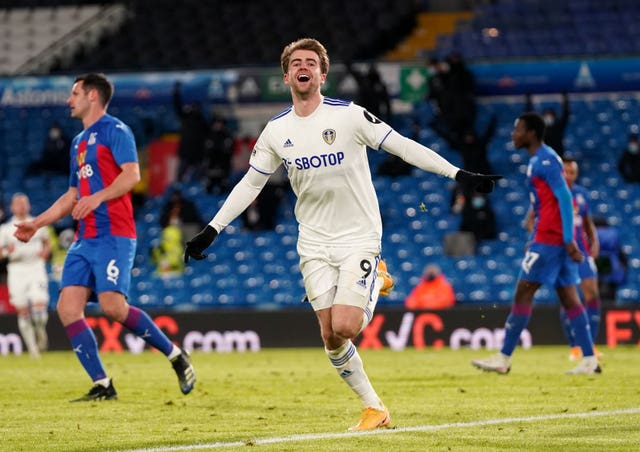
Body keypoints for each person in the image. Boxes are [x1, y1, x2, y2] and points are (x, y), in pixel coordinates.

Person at [183, 38, 500, 430]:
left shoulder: (349, 116)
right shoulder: (276, 131)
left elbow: (401, 146)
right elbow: (251, 184)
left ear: (322, 73)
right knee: (331, 336)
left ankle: (376, 276)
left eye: (311, 62)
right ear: (286, 76)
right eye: (296, 62)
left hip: (358, 236)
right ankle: (374, 408)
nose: (304, 67)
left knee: (347, 325)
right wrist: (213, 229)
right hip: (313, 242)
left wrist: (458, 174)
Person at [14, 73, 196, 401]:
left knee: (113, 308)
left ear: (93, 96)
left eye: (74, 93)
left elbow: (132, 175)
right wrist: (36, 223)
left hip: (115, 234)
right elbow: (72, 194)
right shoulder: (78, 142)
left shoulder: (116, 130)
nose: (69, 100)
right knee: (68, 308)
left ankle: (176, 355)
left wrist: (98, 197)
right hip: (86, 239)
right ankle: (103, 384)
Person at [472, 112, 600, 375]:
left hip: (551, 240)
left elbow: (565, 198)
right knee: (570, 298)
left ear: (531, 133)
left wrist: (567, 240)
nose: (513, 133)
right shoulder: (542, 160)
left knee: (523, 292)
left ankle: (504, 357)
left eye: (518, 129)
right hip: (550, 238)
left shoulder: (545, 161)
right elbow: (549, 203)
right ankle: (589, 359)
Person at [525, 157, 601, 360]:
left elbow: (587, 223)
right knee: (569, 298)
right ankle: (574, 346)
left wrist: (594, 242)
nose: (569, 175)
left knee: (592, 294)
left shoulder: (582, 195)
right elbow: (530, 221)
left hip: (581, 252)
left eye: (573, 172)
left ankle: (590, 346)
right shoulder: (550, 194)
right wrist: (538, 239)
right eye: (566, 172)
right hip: (559, 251)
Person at [0, 193, 51, 358]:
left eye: (24, 203)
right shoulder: (5, 229)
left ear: (28, 205)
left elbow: (47, 241)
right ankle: (33, 349)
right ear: (12, 207)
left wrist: (45, 252)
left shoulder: (38, 223)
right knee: (22, 310)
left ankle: (40, 330)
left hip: (36, 267)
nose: (21, 206)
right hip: (16, 270)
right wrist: (8, 251)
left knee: (39, 308)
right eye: (18, 203)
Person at [173, 81, 209, 183]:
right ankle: (178, 191)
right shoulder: (186, 117)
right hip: (186, 152)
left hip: (197, 154)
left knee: (199, 177)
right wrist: (176, 93)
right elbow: (177, 106)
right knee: (180, 177)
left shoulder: (202, 121)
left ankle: (196, 190)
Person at [525, 92, 570, 157]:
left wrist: (565, 98)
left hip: (558, 156)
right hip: (543, 157)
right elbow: (529, 117)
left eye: (550, 114)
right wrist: (528, 99)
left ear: (554, 116)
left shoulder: (558, 126)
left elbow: (566, 114)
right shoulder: (539, 128)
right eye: (547, 114)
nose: (548, 117)